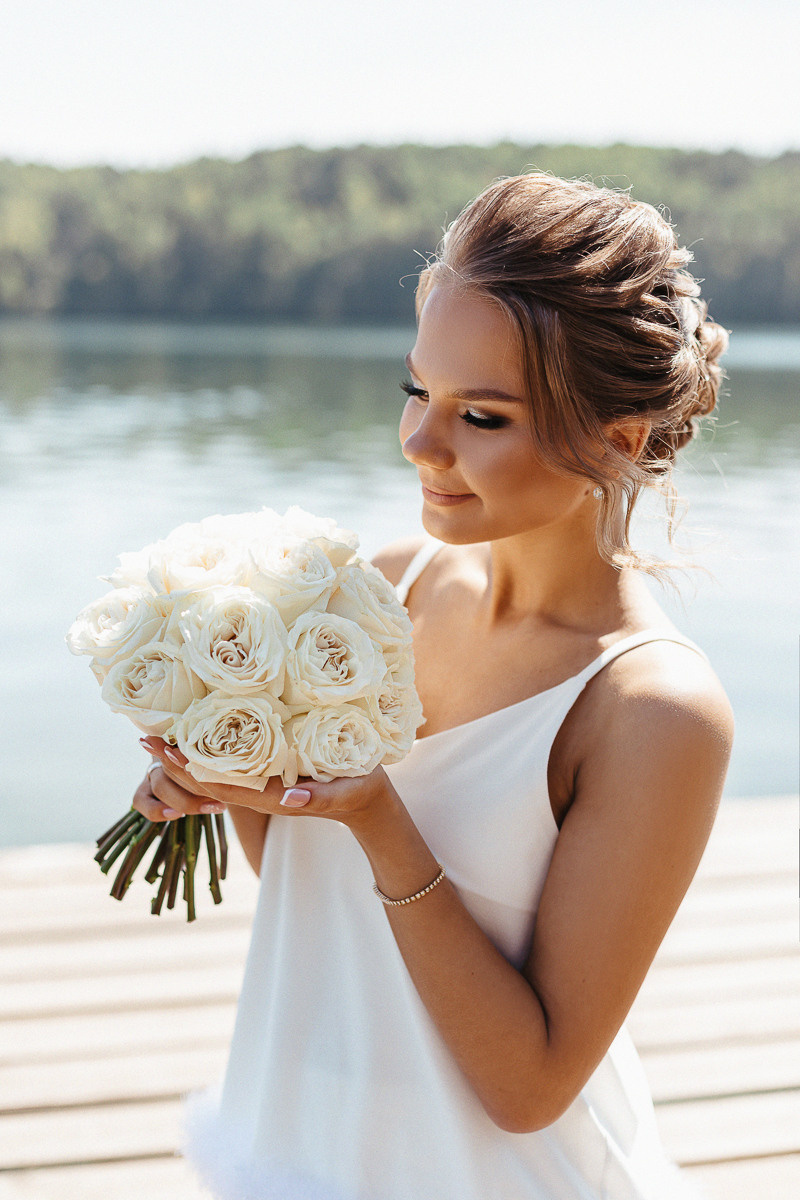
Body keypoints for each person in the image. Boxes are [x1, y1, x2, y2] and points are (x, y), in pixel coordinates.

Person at [136, 172, 734, 1200]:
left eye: (482, 415)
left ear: (617, 439)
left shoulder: (648, 711)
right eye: (418, 390)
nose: (419, 442)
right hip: (295, 1136)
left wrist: (379, 820)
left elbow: (528, 1086)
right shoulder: (377, 589)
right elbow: (309, 889)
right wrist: (229, 776)